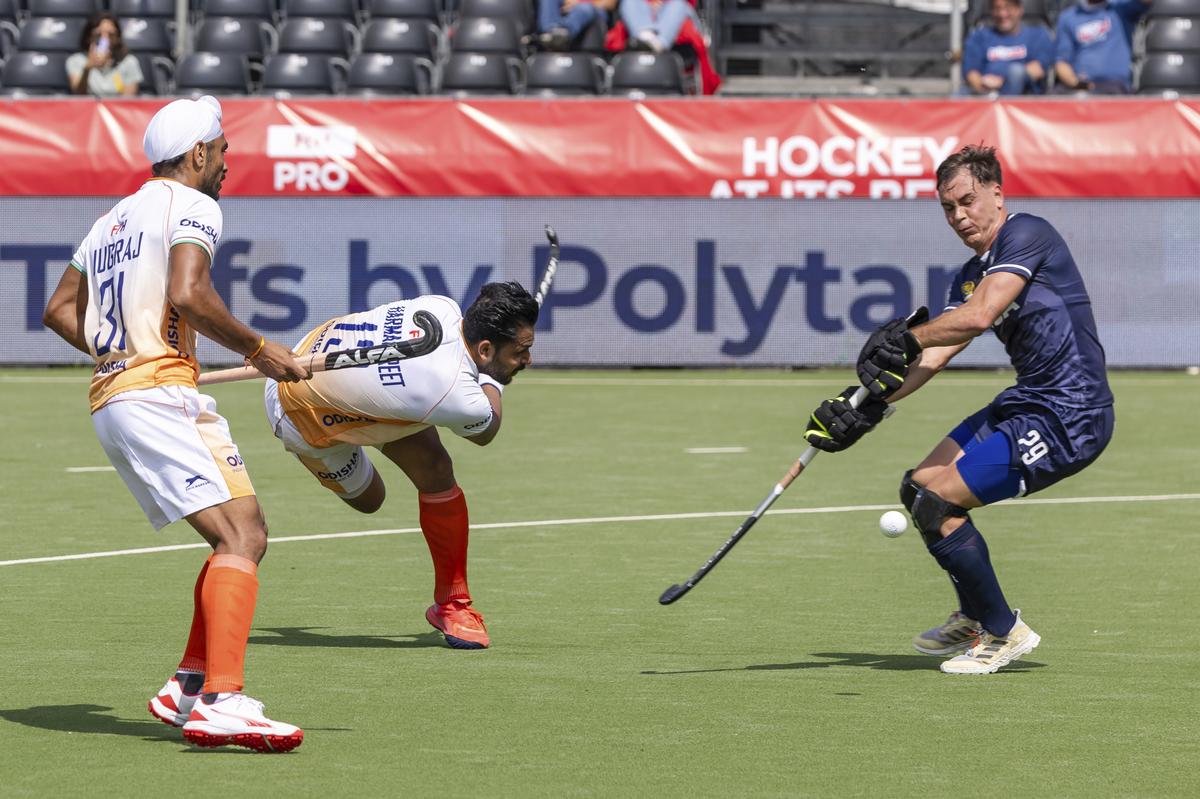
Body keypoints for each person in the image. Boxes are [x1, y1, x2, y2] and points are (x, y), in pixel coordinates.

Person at [42, 96, 310, 750]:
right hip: (158, 397)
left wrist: (116, 352)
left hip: (117, 398)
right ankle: (220, 698)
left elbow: (57, 309)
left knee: (239, 532)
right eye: (221, 151)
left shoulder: (109, 221)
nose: (226, 163)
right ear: (196, 155)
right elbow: (191, 293)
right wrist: (259, 349)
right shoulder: (194, 205)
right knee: (242, 538)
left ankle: (190, 683)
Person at [803, 144, 1114, 675]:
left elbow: (979, 316)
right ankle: (975, 616)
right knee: (917, 486)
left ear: (997, 191)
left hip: (1072, 412)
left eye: (968, 201)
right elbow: (934, 354)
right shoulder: (970, 273)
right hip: (1028, 400)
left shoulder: (1028, 234)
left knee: (937, 503)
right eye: (948, 208)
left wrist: (905, 337)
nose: (960, 216)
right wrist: (865, 406)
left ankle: (1004, 631)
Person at [262, 283, 538, 650]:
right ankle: (362, 425)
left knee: (436, 468)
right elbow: (486, 430)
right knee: (370, 499)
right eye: (521, 352)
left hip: (314, 352)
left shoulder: (440, 306)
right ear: (485, 349)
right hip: (299, 408)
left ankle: (453, 604)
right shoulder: (455, 394)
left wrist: (495, 365)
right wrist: (493, 378)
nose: (527, 361)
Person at [1054, 0, 1153, 94]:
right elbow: (1062, 62)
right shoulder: (1068, 17)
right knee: (1054, 96)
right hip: (1080, 86)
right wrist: (1076, 84)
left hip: (1114, 86)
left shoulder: (1121, 9)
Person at [961, 0, 1054, 96]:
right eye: (997, 9)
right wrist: (982, 83)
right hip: (987, 94)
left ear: (1019, 9)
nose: (1002, 14)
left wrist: (1002, 82)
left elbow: (1038, 69)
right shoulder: (978, 36)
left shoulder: (1039, 35)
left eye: (1008, 8)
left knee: (1016, 72)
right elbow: (971, 73)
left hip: (1025, 95)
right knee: (959, 95)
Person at [67, 12, 143, 97]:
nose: (105, 39)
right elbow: (79, 95)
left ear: (118, 37)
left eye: (111, 35)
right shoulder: (76, 60)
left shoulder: (129, 62)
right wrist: (87, 69)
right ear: (88, 36)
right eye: (98, 34)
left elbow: (128, 100)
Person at [536, 0, 615, 51]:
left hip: (593, 10)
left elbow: (610, 3)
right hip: (565, 9)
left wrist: (578, 3)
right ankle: (550, 31)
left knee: (584, 8)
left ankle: (563, 35)